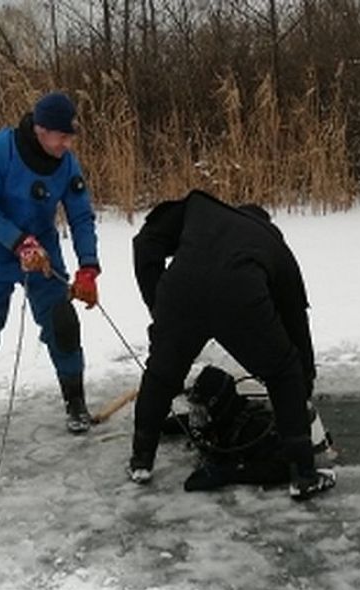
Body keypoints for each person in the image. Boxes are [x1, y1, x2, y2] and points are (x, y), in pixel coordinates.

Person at [126, 190, 336, 500]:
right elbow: (295, 319)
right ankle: (304, 474)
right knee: (283, 372)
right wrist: (302, 380)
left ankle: (141, 461)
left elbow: (144, 244)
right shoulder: (274, 245)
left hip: (181, 290)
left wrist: (160, 309)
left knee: (161, 376)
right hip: (240, 294)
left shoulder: (200, 208)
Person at [0, 91, 101, 446]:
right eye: (61, 136)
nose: (66, 144)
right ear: (40, 130)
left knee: (62, 321)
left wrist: (88, 268)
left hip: (42, 254)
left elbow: (80, 215)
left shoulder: (66, 163)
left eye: (70, 137)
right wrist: (19, 243)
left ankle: (75, 401)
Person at [165, 364, 337, 492]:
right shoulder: (217, 420)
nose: (196, 418)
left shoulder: (254, 431)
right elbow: (189, 422)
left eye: (200, 411)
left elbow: (279, 468)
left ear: (216, 406)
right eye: (195, 410)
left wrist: (227, 474)